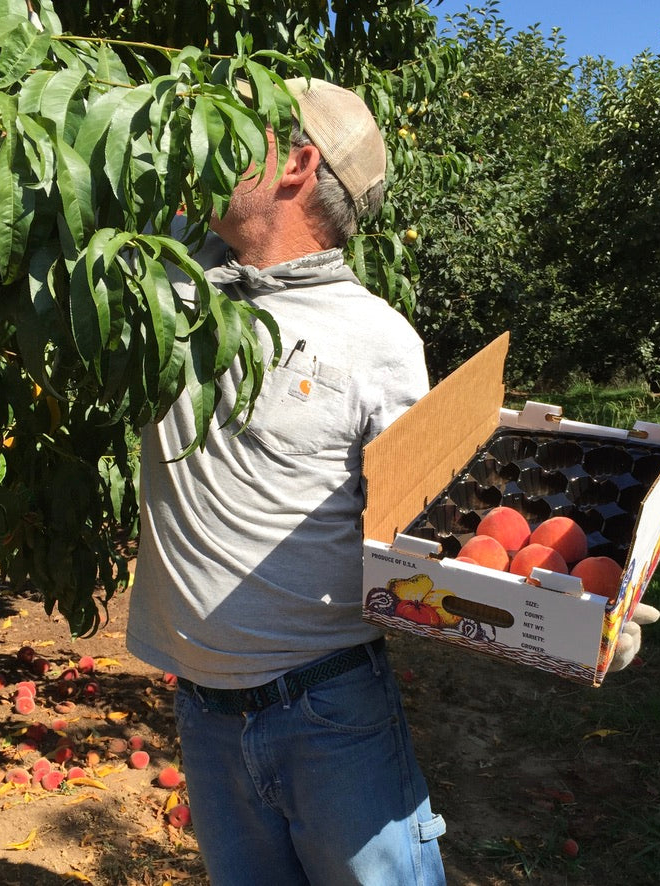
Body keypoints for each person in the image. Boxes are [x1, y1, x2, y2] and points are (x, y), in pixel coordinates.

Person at [126, 77, 447, 885]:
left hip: (330, 714)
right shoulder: (176, 284)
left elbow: (430, 534)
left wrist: (567, 607)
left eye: (235, 127)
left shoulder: (377, 340)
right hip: (203, 711)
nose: (202, 136)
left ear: (298, 163)